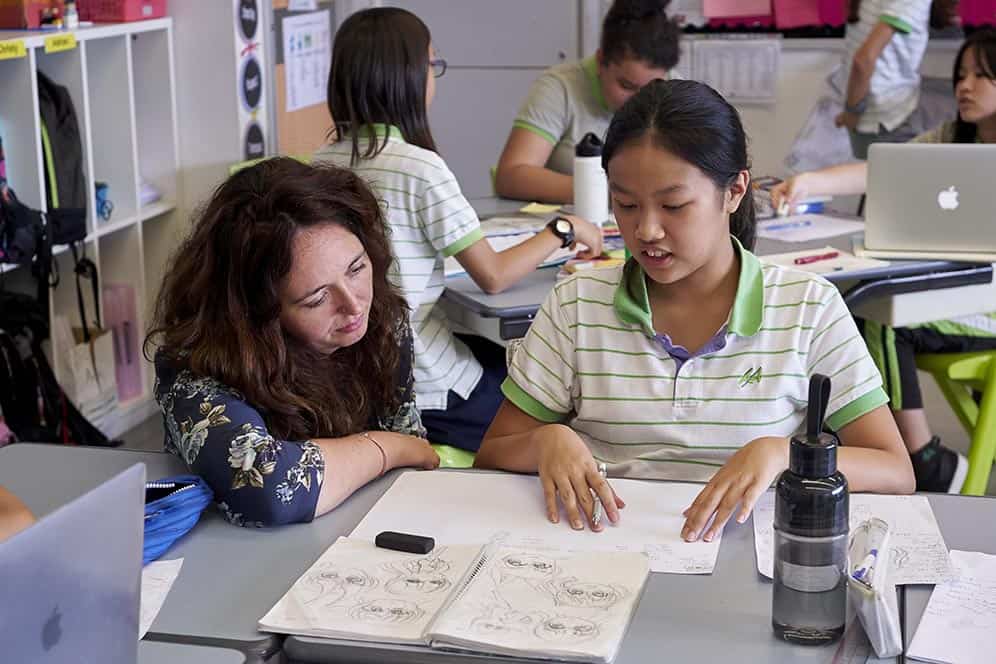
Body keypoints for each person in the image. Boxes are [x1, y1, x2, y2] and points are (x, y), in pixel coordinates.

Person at [475, 80, 914, 542]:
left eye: (674, 205)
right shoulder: (576, 305)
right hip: (603, 552)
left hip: (745, 560)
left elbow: (894, 469)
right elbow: (494, 453)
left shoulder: (808, 308)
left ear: (734, 191)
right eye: (624, 204)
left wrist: (782, 454)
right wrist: (546, 441)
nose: (646, 230)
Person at [315, 8, 602, 452]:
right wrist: (563, 230)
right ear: (409, 77)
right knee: (552, 400)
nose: (435, 77)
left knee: (491, 357)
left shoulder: (317, 164)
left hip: (346, 381)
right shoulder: (418, 168)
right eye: (433, 64)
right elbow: (493, 276)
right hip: (424, 388)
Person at [145, 158, 439, 527]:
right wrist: (387, 447)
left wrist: (396, 450)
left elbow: (413, 463)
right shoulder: (196, 363)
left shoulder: (381, 320)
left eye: (357, 268)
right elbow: (269, 489)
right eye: (316, 299)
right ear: (258, 312)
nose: (353, 304)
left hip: (360, 531)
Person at [771, 29, 996, 493]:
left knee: (880, 318)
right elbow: (881, 168)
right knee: (862, 307)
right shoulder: (951, 138)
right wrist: (810, 183)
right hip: (947, 298)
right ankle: (886, 445)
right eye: (961, 74)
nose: (964, 86)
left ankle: (921, 455)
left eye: (981, 75)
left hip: (985, 306)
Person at [494, 0, 681, 203]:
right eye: (626, 86)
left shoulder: (675, 91)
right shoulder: (560, 88)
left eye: (651, 90)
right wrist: (609, 195)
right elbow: (510, 176)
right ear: (601, 62)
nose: (639, 101)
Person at [834, 0, 934, 159]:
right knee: (884, 180)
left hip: (868, 111)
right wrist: (851, 113)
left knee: (868, 178)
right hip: (885, 116)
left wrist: (850, 111)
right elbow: (863, 60)